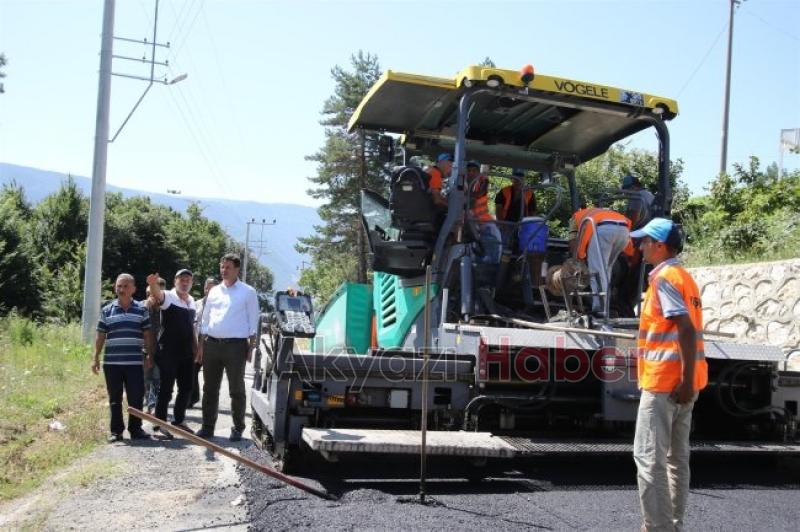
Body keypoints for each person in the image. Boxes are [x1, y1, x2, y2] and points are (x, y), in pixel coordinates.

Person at [630, 217, 708, 532]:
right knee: (677, 460)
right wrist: (689, 381)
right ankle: (672, 525)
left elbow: (685, 329)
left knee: (649, 460)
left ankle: (659, 528)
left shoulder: (664, 279)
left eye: (645, 241)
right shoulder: (684, 277)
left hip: (666, 384)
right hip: (682, 383)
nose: (640, 246)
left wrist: (685, 382)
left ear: (660, 245)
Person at [197, 253, 260, 441]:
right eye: (222, 267)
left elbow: (253, 320)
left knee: (236, 389)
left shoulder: (248, 292)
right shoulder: (214, 291)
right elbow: (205, 319)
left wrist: (251, 347)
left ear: (237, 269)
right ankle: (207, 427)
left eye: (228, 268)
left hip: (236, 346)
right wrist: (201, 344)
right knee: (209, 388)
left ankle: (238, 427)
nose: (224, 271)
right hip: (212, 344)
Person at [93, 273, 153, 442]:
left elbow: (147, 335)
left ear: (133, 289)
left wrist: (149, 355)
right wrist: (95, 357)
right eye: (119, 286)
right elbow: (100, 336)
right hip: (112, 363)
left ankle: (136, 430)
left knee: (136, 397)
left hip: (134, 362)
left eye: (125, 286)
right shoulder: (106, 310)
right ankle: (116, 432)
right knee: (115, 399)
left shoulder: (141, 310)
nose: (121, 289)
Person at [147, 269, 197, 437]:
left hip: (187, 352)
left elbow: (192, 328)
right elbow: (157, 295)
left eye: (188, 280)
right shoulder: (168, 296)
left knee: (186, 387)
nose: (185, 282)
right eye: (182, 279)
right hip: (168, 351)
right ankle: (160, 422)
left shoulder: (191, 301)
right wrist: (153, 283)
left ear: (191, 283)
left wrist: (196, 349)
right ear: (175, 281)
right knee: (166, 389)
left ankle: (179, 420)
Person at [568, 206, 632, 313]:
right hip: (624, 230)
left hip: (604, 230)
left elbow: (572, 242)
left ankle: (599, 309)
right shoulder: (598, 212)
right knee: (606, 270)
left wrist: (577, 260)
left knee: (596, 272)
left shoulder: (575, 218)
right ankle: (606, 306)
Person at [191, 277, 219, 407]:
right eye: (207, 286)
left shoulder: (219, 306)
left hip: (211, 343)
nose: (208, 289)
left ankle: (209, 403)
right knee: (192, 371)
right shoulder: (196, 303)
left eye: (212, 287)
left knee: (210, 377)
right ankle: (193, 397)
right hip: (196, 342)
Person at [466, 160, 501, 264]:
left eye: (474, 170)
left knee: (490, 260)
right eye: (469, 170)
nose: (471, 173)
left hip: (486, 227)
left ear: (478, 172)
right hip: (473, 227)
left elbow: (476, 196)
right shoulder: (462, 184)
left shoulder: (482, 182)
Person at [143, 277, 166, 414]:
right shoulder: (142, 307)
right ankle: (149, 406)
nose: (151, 297)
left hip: (161, 352)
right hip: (144, 350)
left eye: (154, 293)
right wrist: (147, 306)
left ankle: (154, 408)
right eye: (148, 294)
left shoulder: (167, 308)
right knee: (146, 380)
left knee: (157, 380)